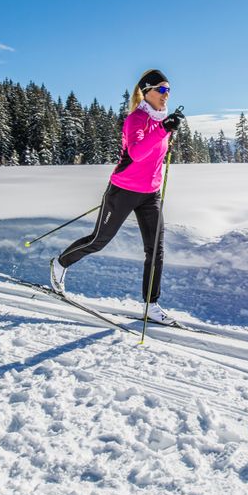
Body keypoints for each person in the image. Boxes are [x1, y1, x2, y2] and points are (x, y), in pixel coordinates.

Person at [49, 69, 183, 322]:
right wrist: (163, 130)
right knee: (99, 240)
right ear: (147, 92)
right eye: (162, 90)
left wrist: (166, 130)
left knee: (155, 250)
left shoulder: (161, 121)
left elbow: (155, 155)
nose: (167, 95)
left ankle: (151, 305)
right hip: (123, 190)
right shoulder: (136, 119)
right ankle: (60, 263)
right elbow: (136, 154)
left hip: (150, 194)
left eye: (169, 90)